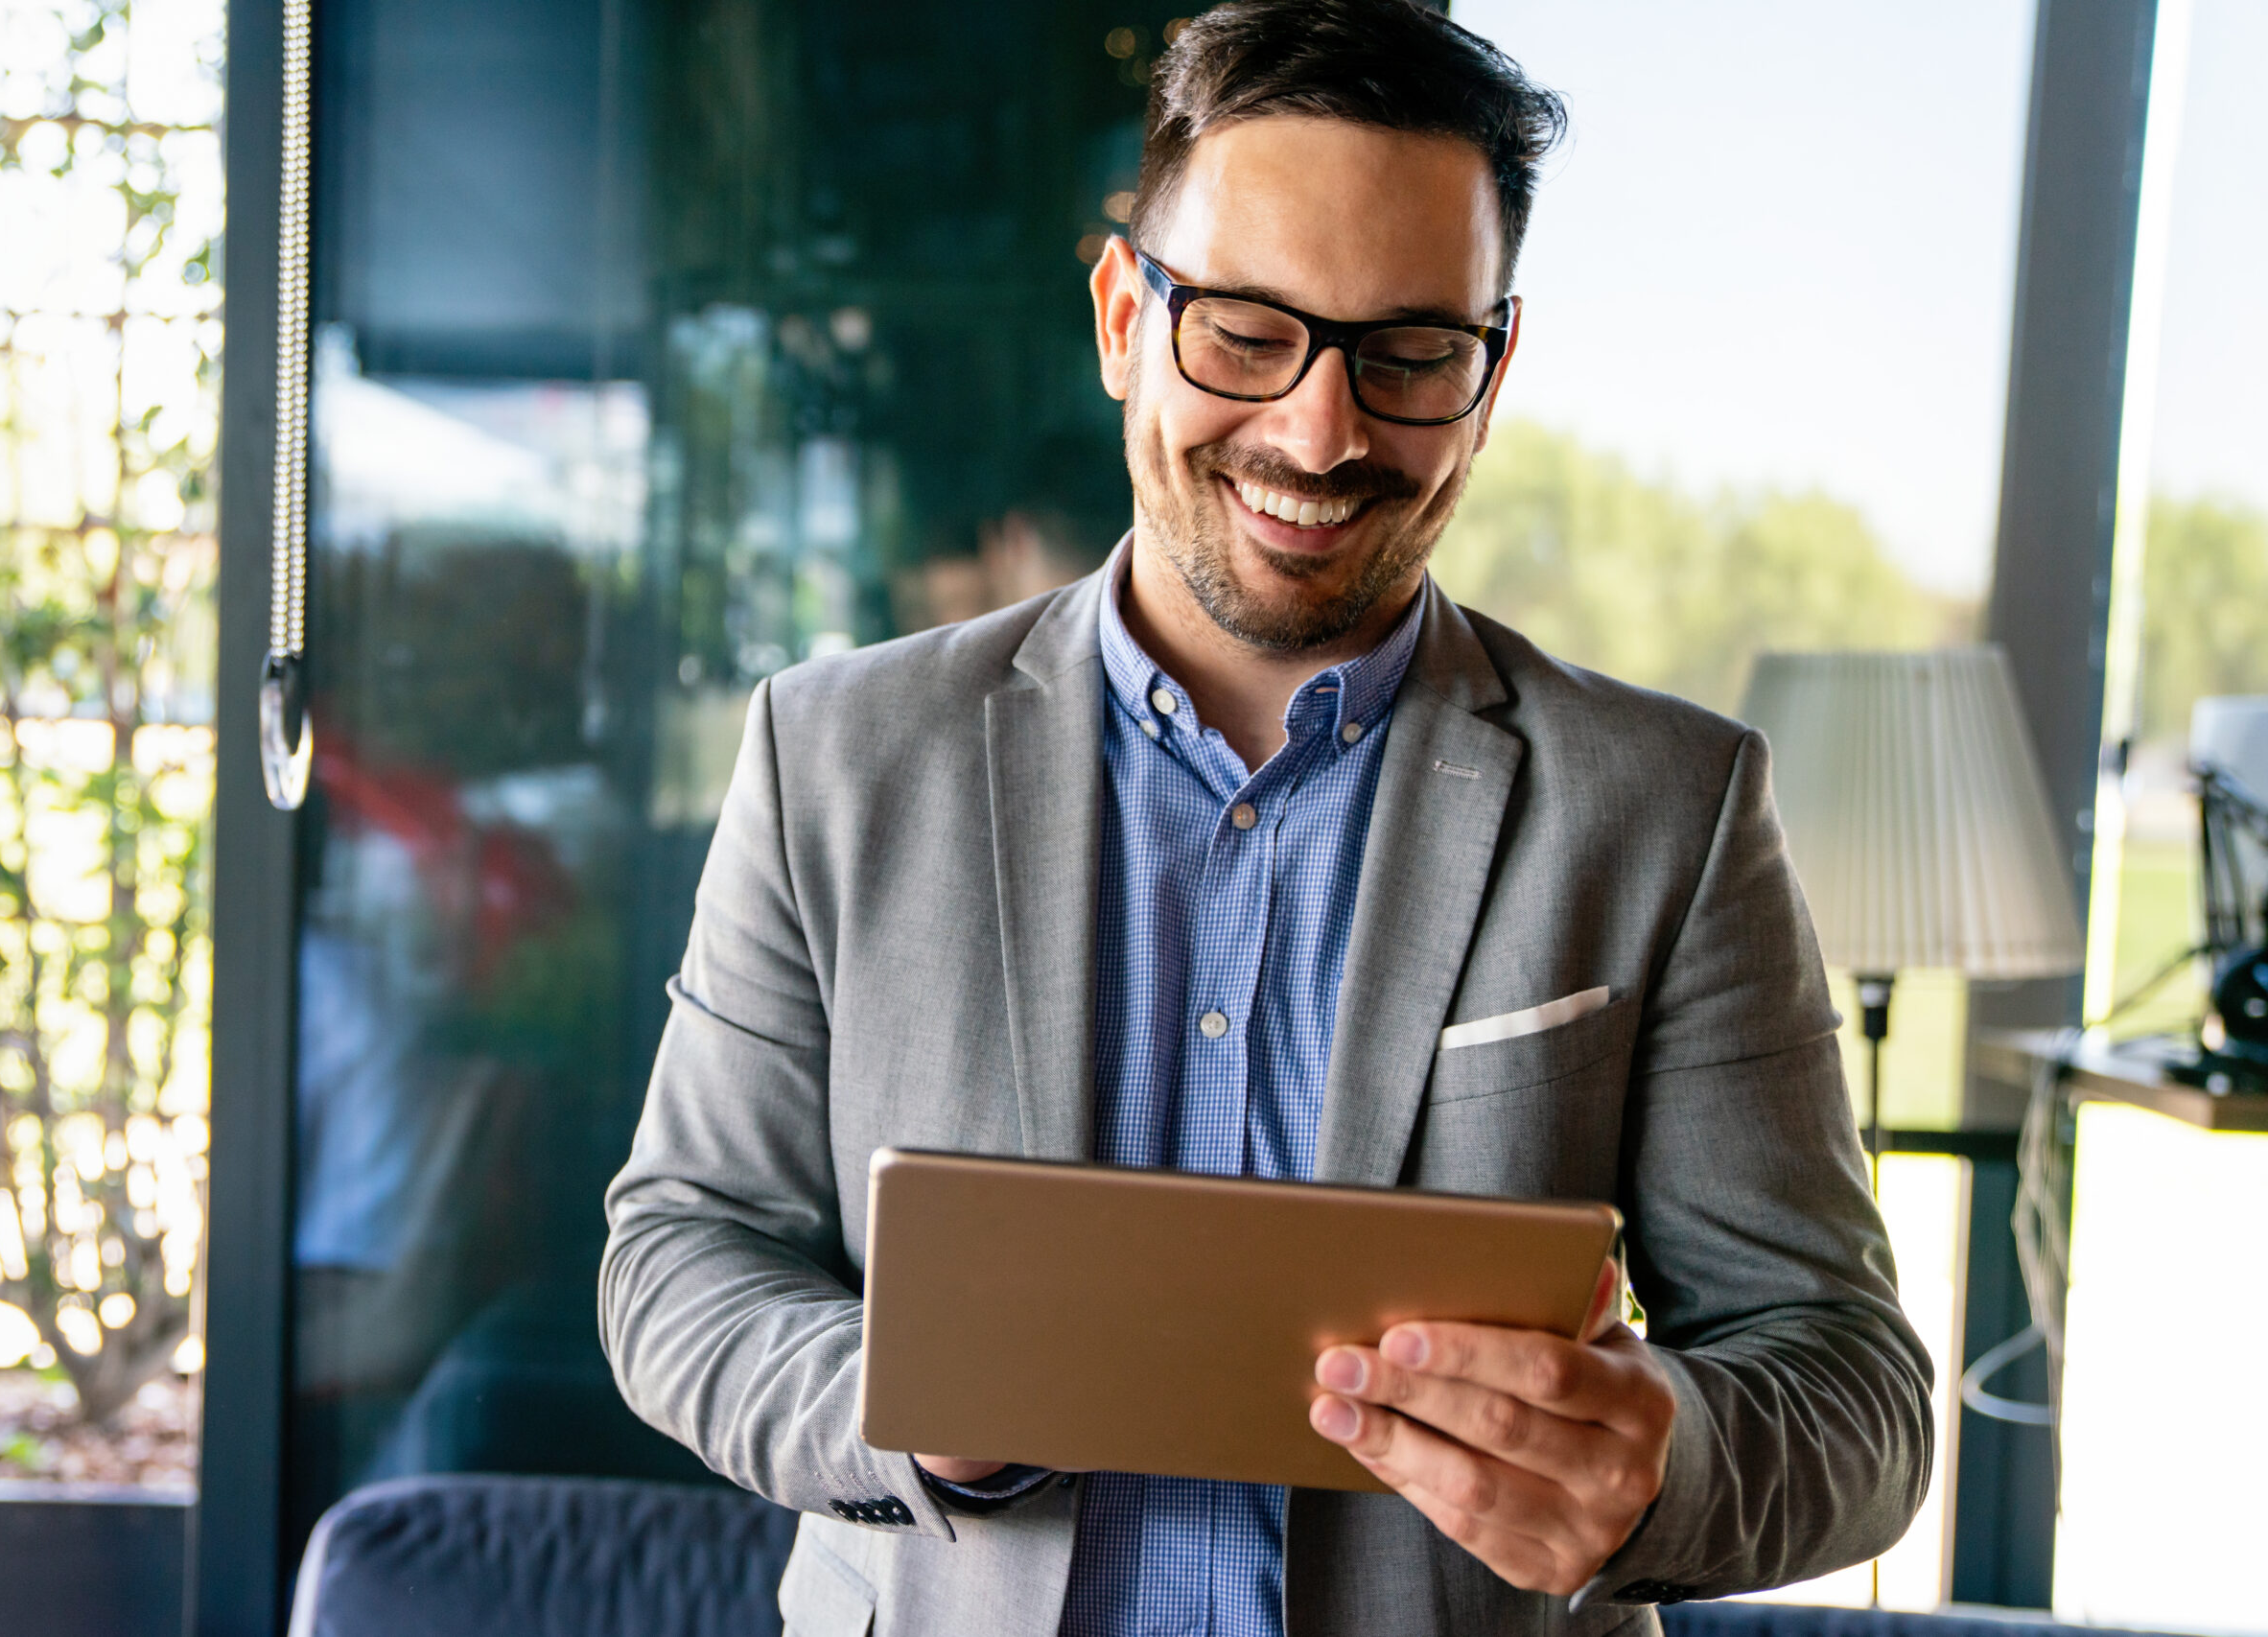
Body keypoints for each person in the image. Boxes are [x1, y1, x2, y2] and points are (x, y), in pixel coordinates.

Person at [599, 3, 1932, 1633]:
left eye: (1411, 353)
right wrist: (901, 1404)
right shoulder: (837, 756)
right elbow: (678, 1259)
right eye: (1243, 330)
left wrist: (1668, 1460)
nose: (1322, 431)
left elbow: (1858, 1394)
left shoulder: (1667, 808)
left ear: (1491, 373)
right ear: (1118, 319)